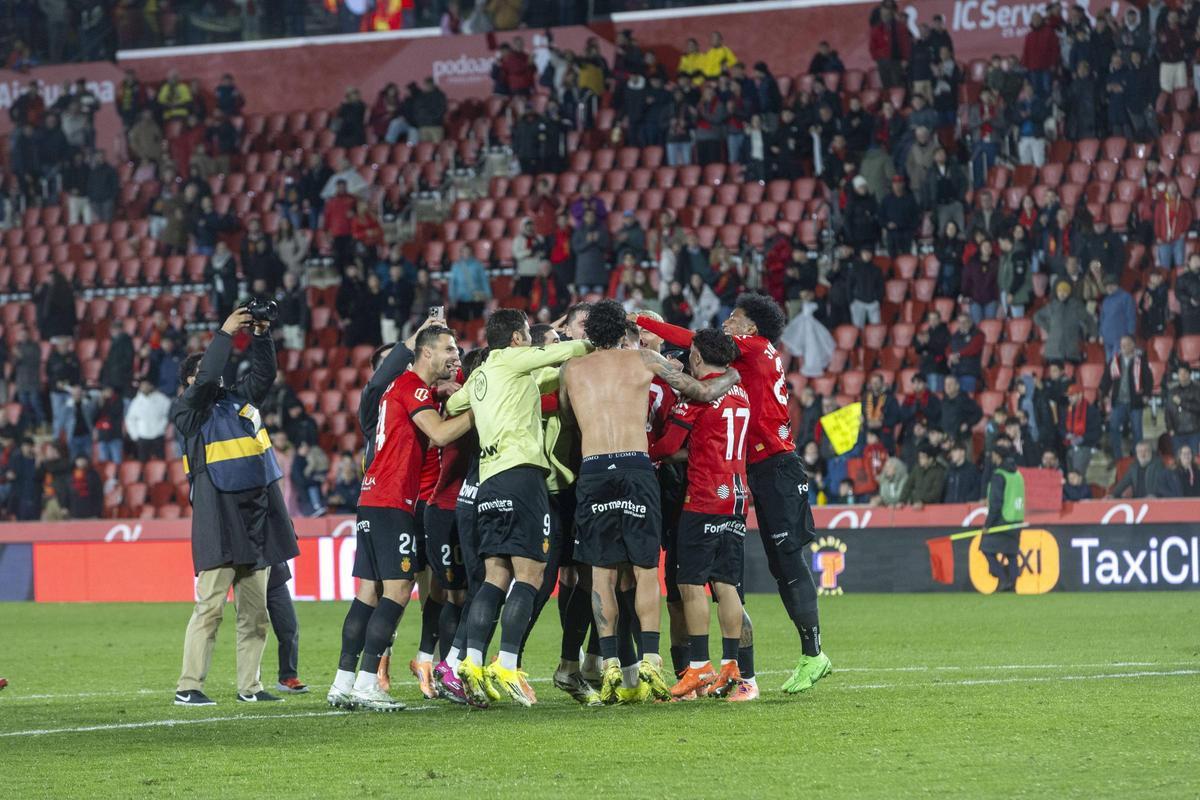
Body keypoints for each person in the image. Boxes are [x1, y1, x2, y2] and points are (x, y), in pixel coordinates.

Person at [637, 292, 832, 694]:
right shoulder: (747, 365)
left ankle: (812, 653)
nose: (727, 322)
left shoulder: (753, 348)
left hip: (775, 464)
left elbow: (698, 339)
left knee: (786, 562)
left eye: (734, 317)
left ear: (750, 328)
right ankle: (744, 675)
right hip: (752, 470)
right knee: (737, 578)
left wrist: (645, 323)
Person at [564, 301, 738, 703]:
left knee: (602, 572)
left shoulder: (571, 369)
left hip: (593, 470)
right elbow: (702, 390)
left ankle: (608, 665)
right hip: (635, 467)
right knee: (645, 569)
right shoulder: (645, 358)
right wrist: (731, 373)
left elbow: (571, 421)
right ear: (625, 329)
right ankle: (651, 661)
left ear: (589, 333)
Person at [442, 310, 592, 707]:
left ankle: (471, 663)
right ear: (516, 338)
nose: (531, 340)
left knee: (495, 576)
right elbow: (572, 349)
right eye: (527, 334)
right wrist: (599, 343)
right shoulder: (513, 358)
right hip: (522, 477)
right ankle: (507, 665)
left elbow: (456, 404)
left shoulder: (482, 375)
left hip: (489, 482)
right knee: (530, 575)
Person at [327, 326, 472, 712]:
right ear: (425, 354)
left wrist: (442, 393)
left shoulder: (398, 387)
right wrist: (481, 408)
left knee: (367, 595)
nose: (453, 357)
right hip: (394, 502)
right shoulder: (413, 387)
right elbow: (439, 435)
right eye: (448, 349)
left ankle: (343, 682)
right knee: (397, 591)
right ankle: (368, 682)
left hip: (371, 497)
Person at [172, 308, 301, 707]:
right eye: (201, 374)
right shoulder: (189, 413)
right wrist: (225, 335)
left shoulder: (240, 401)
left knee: (255, 614)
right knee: (209, 609)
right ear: (189, 384)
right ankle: (189, 685)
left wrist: (261, 335)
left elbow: (264, 375)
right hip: (219, 520)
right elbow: (208, 376)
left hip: (258, 516)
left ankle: (251, 686)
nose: (213, 378)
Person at [645, 329, 753, 702]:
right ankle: (731, 665)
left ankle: (698, 667)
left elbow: (669, 445)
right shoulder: (740, 392)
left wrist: (643, 450)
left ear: (696, 357)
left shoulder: (696, 398)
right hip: (736, 496)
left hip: (704, 497)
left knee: (690, 583)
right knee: (726, 585)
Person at [981, 438, 1025, 592]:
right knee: (1011, 553)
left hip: (1002, 520)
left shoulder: (999, 475)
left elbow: (996, 504)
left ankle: (1003, 578)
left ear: (998, 456)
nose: (992, 458)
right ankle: (1012, 585)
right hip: (1017, 519)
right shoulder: (1018, 474)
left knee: (986, 547)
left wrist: (987, 525)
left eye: (993, 455)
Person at [1109, 440, 1178, 499]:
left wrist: (1154, 495)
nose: (1143, 454)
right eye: (1140, 451)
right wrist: (1113, 495)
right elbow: (1123, 483)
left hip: (1153, 502)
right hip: (1138, 502)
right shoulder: (1134, 467)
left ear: (1151, 452)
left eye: (1146, 451)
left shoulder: (1158, 465)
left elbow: (1162, 486)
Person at [125, 379, 171, 461]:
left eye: (146, 385)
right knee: (142, 462)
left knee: (161, 461)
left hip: (158, 435)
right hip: (143, 436)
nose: (144, 387)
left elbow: (168, 414)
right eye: (142, 386)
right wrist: (135, 435)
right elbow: (130, 419)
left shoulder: (161, 399)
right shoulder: (136, 402)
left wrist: (162, 427)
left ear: (151, 386)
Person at [1164, 365, 1200, 456]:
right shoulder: (1172, 391)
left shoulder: (1197, 389)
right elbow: (1168, 412)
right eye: (1180, 373)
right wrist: (1170, 428)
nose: (1182, 375)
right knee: (1178, 459)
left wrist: (1181, 403)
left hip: (1194, 431)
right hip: (1177, 432)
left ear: (1189, 374)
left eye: (1185, 373)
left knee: (1194, 459)